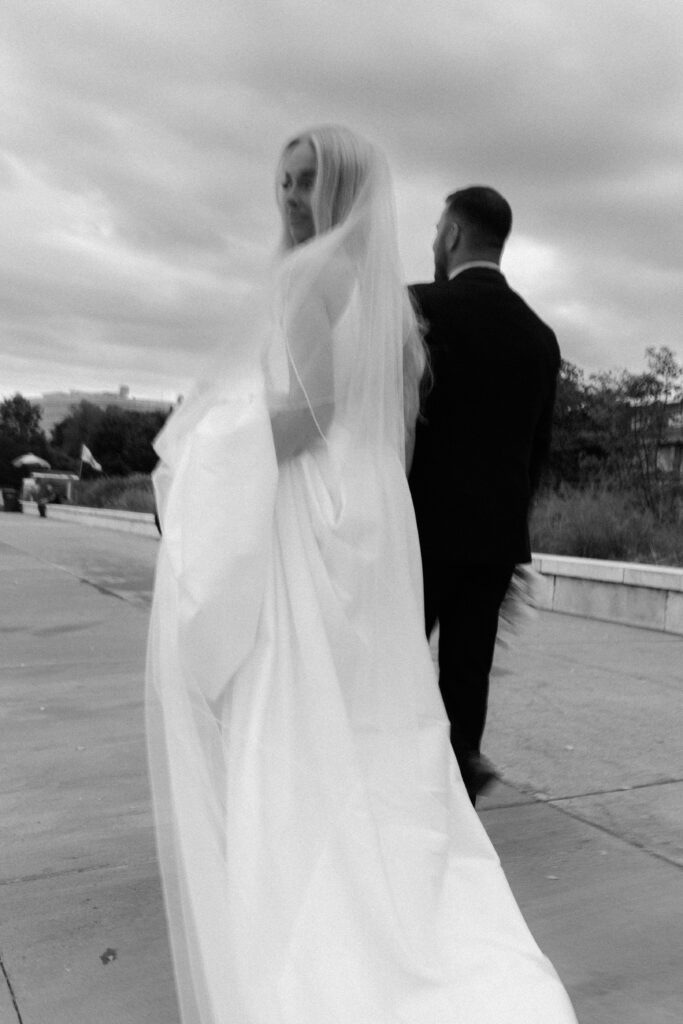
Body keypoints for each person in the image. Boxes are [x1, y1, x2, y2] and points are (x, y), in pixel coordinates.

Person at [146, 128, 577, 1023]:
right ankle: (411, 849)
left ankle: (321, 904)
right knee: (403, 708)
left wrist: (200, 452)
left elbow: (307, 414)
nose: (292, 197)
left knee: (302, 713)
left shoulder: (317, 281)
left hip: (320, 518)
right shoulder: (484, 325)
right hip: (398, 524)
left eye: (309, 182)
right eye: (285, 180)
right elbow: (475, 442)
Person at [408, 186, 561, 804]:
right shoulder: (539, 336)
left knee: (388, 658)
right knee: (466, 673)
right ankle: (455, 793)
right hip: (495, 538)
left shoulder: (417, 307)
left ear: (450, 234)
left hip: (416, 530)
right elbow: (537, 454)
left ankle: (384, 777)